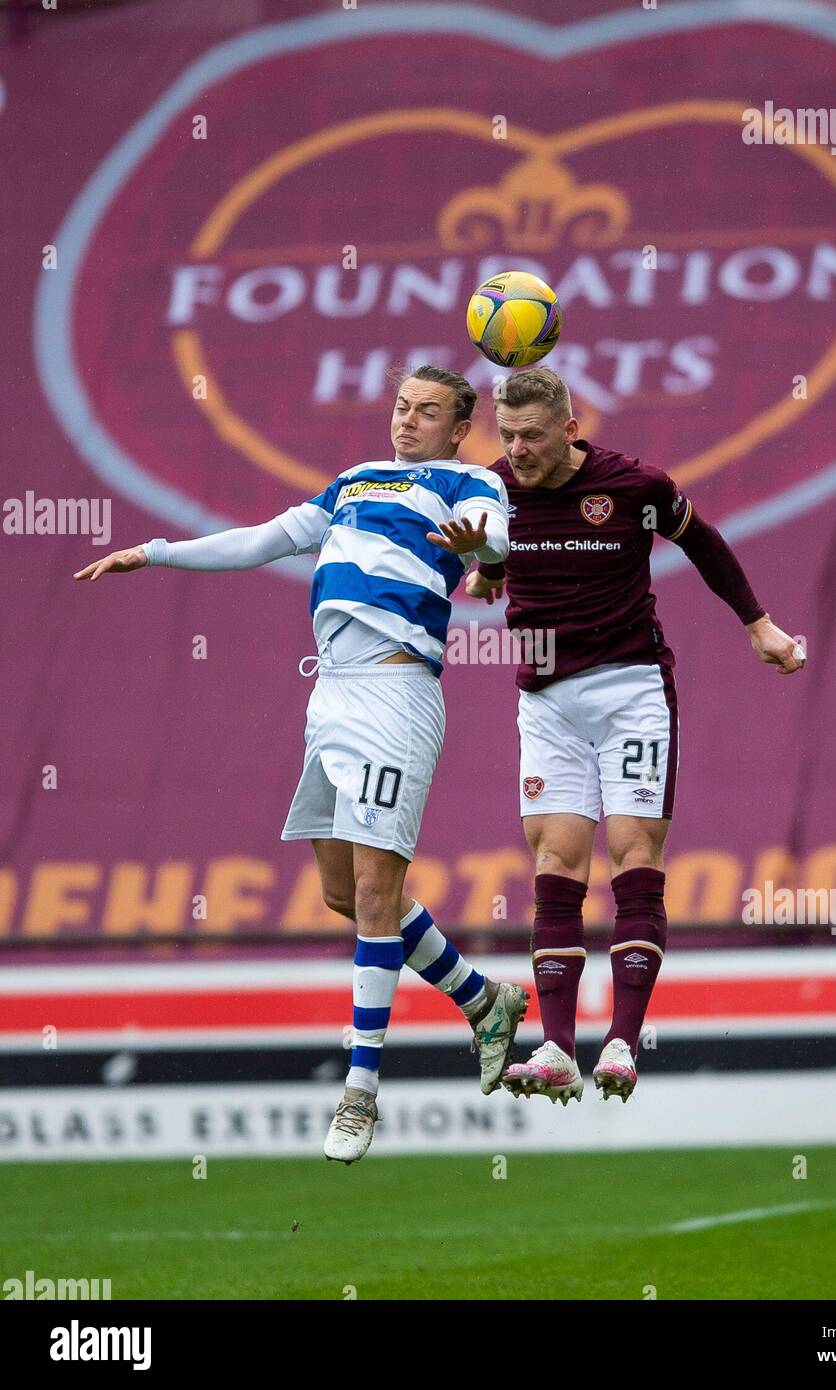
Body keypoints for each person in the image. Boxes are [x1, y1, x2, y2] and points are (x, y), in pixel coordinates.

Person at [74, 366, 530, 1162]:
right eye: (401, 406)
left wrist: (482, 546)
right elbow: (260, 541)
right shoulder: (352, 483)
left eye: (427, 412)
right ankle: (482, 999)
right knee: (340, 893)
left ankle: (359, 1093)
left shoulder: (464, 483)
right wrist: (153, 552)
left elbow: (497, 534)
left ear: (460, 428)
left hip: (395, 695)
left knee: (379, 894)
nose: (408, 420)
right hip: (332, 700)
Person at [465, 366, 804, 1104]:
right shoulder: (490, 489)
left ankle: (621, 1040)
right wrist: (485, 574)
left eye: (532, 435)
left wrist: (760, 626)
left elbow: (705, 543)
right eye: (508, 434)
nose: (517, 449)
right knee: (556, 862)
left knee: (633, 854)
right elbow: (481, 556)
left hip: (632, 690)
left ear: (570, 425)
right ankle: (557, 1049)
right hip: (546, 698)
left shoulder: (634, 487)